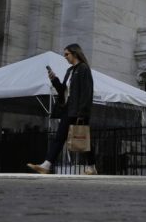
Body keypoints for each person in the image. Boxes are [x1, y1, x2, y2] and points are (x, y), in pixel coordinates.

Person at [28, 44, 97, 175]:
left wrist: (82, 113)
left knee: (82, 137)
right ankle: (47, 165)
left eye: (67, 54)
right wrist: (54, 80)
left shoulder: (83, 69)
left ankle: (91, 166)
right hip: (68, 109)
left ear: (75, 53)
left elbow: (87, 92)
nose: (65, 57)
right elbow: (63, 91)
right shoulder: (69, 71)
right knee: (60, 137)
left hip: (78, 111)